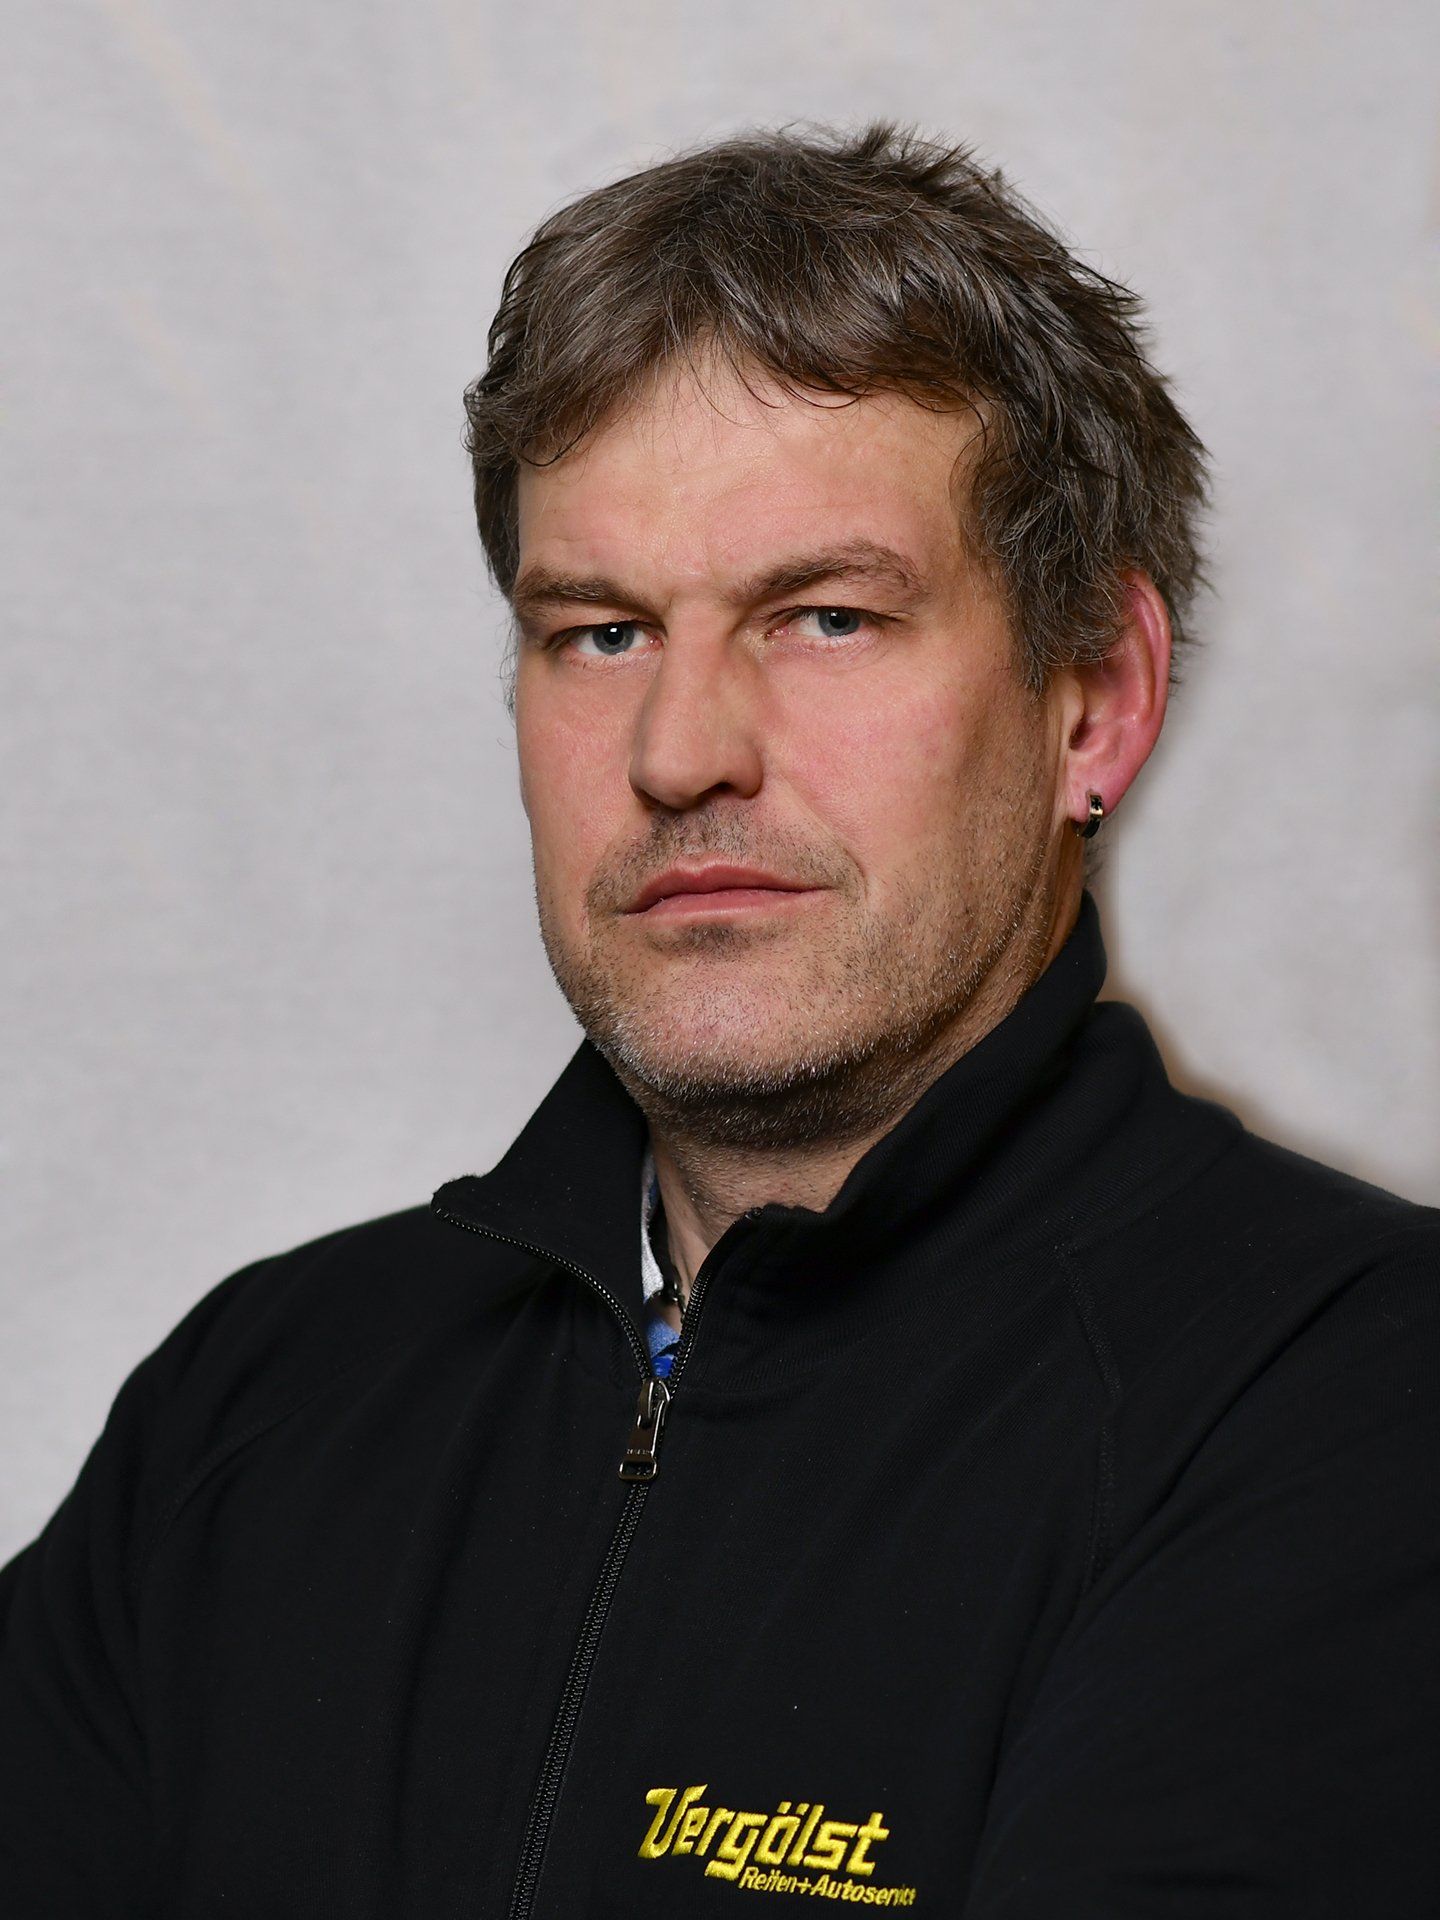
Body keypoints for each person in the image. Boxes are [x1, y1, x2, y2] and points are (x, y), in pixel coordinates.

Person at [2, 122, 1436, 1919]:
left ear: (1095, 702)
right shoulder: (262, 1403)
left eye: (824, 618)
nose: (681, 754)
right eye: (600, 633)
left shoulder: (1353, 1402)